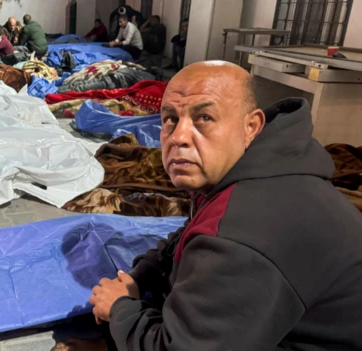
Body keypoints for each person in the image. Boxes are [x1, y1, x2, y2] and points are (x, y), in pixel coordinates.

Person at [60, 61, 362, 351]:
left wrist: (120, 309)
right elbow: (187, 234)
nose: (178, 137)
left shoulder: (244, 233)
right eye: (170, 119)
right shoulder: (253, 171)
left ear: (251, 126)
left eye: (204, 118)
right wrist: (141, 276)